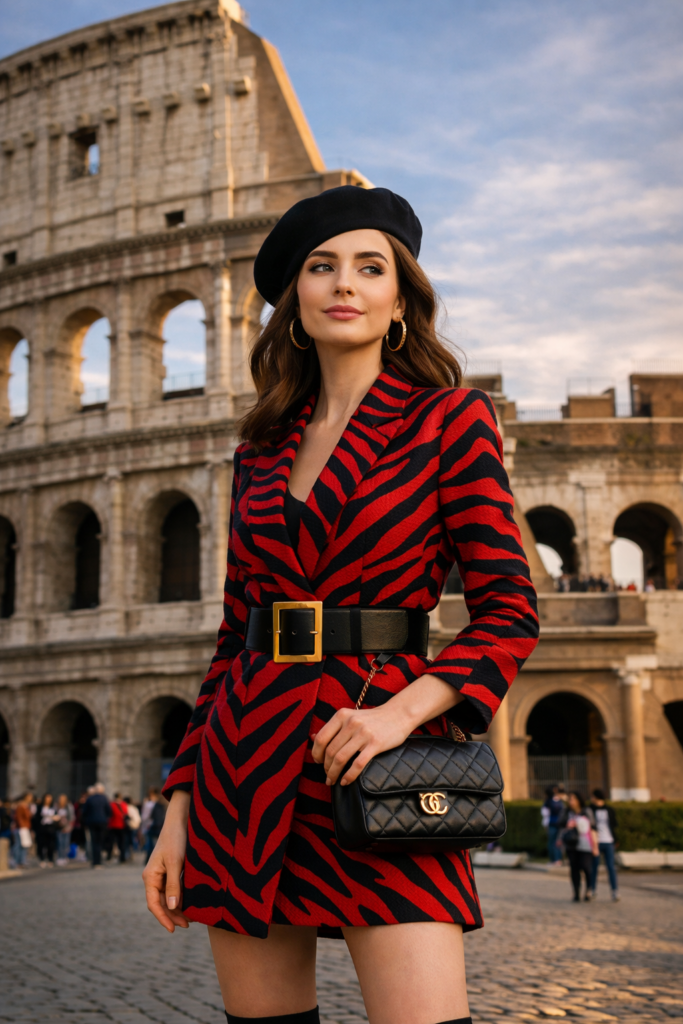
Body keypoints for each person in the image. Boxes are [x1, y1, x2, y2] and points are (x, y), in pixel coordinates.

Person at [142, 185, 540, 1024]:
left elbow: (508, 608)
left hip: (379, 754)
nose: (344, 284)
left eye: (370, 267)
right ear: (295, 300)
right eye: (321, 268)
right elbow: (230, 640)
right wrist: (178, 805)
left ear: (401, 298)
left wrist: (401, 714)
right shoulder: (257, 451)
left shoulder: (447, 420)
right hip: (243, 767)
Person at [559, 792, 597, 902]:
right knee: (574, 869)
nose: (571, 802)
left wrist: (595, 845)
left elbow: (593, 827)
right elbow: (560, 824)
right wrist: (568, 824)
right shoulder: (566, 812)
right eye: (570, 800)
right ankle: (576, 892)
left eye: (574, 799)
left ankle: (589, 890)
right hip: (571, 844)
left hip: (585, 844)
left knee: (586, 867)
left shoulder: (586, 811)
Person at [589, 789, 619, 901]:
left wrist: (615, 840)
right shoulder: (590, 809)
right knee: (594, 867)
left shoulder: (609, 809)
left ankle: (614, 891)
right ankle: (592, 890)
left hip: (608, 841)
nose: (591, 798)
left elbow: (613, 825)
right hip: (596, 841)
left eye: (592, 796)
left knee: (611, 867)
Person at [81, 783, 111, 868]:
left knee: (94, 842)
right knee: (100, 841)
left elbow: (84, 812)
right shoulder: (104, 798)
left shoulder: (90, 799)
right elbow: (109, 810)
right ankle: (99, 860)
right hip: (102, 822)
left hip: (92, 822)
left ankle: (95, 861)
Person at [542, 785, 565, 863]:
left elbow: (545, 813)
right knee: (554, 842)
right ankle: (556, 859)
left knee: (555, 842)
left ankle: (556, 859)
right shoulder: (552, 801)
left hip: (556, 824)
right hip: (554, 823)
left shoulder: (555, 801)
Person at [35, 794, 59, 867]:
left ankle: (50, 859)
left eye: (50, 798)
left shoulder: (53, 808)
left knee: (50, 845)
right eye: (47, 798)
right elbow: (36, 818)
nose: (48, 800)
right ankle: (42, 859)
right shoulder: (39, 807)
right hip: (42, 827)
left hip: (51, 827)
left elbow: (57, 816)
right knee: (41, 844)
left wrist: (55, 818)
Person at [107, 793, 128, 863]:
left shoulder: (111, 805)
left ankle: (109, 856)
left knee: (111, 842)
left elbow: (109, 814)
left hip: (112, 826)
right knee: (122, 843)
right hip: (122, 826)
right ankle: (122, 858)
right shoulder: (124, 804)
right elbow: (126, 813)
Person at [12, 793, 33, 868]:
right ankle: (16, 861)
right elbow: (19, 818)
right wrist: (22, 827)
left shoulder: (26, 806)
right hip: (21, 828)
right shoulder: (21, 806)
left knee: (24, 845)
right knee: (19, 845)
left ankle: (22, 861)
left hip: (25, 827)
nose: (31, 799)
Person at [55, 794, 75, 865]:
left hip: (67, 827)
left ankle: (64, 856)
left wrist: (69, 825)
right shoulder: (56, 806)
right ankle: (60, 857)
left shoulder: (68, 806)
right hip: (59, 827)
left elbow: (71, 816)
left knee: (65, 843)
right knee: (60, 843)